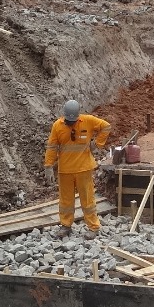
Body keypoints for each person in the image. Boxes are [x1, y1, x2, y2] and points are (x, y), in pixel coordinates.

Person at [44, 99, 111, 238]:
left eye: (72, 121)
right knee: (66, 201)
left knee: (87, 200)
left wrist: (96, 144)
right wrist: (48, 166)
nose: (70, 123)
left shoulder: (88, 121)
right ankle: (65, 225)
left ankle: (93, 227)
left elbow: (106, 126)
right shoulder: (57, 126)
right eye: (68, 121)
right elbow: (52, 146)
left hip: (83, 168)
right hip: (65, 170)